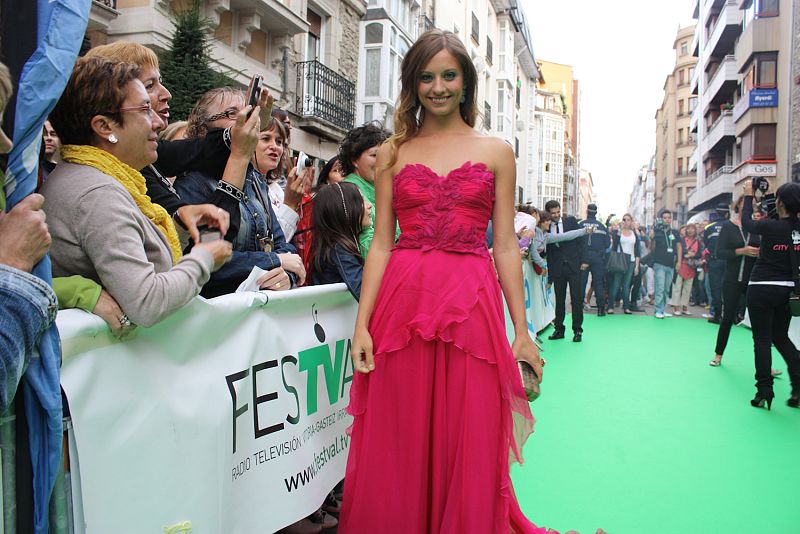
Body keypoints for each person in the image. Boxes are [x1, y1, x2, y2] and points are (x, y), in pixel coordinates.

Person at [342, 29, 552, 533]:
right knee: (401, 432)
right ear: (413, 84)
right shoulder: (392, 152)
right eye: (426, 77)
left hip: (471, 306)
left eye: (448, 75)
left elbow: (505, 245)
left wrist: (522, 331)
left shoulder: (497, 151)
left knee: (469, 431)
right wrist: (362, 324)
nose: (437, 87)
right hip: (403, 306)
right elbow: (381, 243)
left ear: (465, 82)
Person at [42, 57, 232, 328]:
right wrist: (204, 258)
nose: (157, 122)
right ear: (105, 127)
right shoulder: (98, 194)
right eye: (144, 110)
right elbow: (147, 302)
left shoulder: (97, 179)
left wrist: (177, 225)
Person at [175, 90, 304, 298]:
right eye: (233, 113)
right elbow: (208, 259)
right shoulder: (192, 184)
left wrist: (286, 275)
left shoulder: (254, 179)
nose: (246, 118)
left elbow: (281, 243)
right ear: (204, 128)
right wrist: (273, 261)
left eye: (247, 111)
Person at [739, 181, 800, 409]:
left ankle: (764, 390)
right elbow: (782, 213)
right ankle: (798, 387)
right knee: (781, 337)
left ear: (780, 203)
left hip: (761, 287)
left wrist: (747, 196)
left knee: (762, 340)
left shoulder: (770, 227)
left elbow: (747, 223)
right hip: (788, 291)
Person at [340, 123, 400, 258]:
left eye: (387, 156)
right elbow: (365, 245)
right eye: (374, 155)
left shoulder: (384, 187)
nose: (383, 161)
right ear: (354, 159)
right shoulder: (349, 192)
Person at [310, 182, 371, 300]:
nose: (369, 205)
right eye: (361, 201)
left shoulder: (341, 244)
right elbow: (363, 292)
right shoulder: (338, 248)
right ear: (344, 211)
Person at [546, 199, 587, 341]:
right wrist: (550, 275)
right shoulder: (546, 226)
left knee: (576, 299)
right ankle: (559, 329)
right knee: (559, 300)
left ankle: (577, 331)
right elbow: (548, 251)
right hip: (558, 268)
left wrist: (584, 261)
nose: (556, 215)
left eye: (558, 212)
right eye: (553, 213)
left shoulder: (571, 221)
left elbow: (581, 240)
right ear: (548, 213)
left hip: (574, 266)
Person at [650, 209, 682, 319]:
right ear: (661, 219)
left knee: (667, 289)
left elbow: (679, 247)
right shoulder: (657, 231)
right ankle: (658, 310)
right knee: (660, 288)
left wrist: (679, 262)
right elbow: (651, 243)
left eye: (669, 217)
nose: (667, 219)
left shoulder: (675, 232)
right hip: (659, 264)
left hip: (670, 264)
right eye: (665, 218)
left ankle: (662, 309)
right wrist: (653, 231)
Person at [579, 203, 610, 316]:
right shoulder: (602, 226)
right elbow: (607, 244)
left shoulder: (581, 224)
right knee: (598, 283)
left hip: (583, 257)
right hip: (598, 257)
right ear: (596, 213)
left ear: (587, 212)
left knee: (581, 282)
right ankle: (601, 309)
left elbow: (576, 241)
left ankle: (578, 307)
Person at [608, 213, 641, 314]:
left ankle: (626, 307)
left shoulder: (634, 234)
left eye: (628, 220)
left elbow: (637, 251)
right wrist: (618, 230)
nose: (626, 221)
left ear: (631, 221)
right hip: (620, 261)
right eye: (624, 219)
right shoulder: (619, 232)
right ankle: (610, 306)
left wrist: (637, 265)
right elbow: (614, 245)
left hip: (631, 261)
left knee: (626, 285)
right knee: (616, 284)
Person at [703, 204, 728, 323]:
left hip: (714, 260)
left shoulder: (709, 227)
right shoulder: (731, 225)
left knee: (715, 288)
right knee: (729, 288)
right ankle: (730, 316)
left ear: (716, 213)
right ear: (727, 213)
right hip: (729, 261)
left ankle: (717, 315)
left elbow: (706, 243)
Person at [670, 223, 700, 316]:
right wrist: (687, 253)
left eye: (692, 229)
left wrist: (694, 255)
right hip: (681, 264)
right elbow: (677, 250)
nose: (690, 231)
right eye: (689, 229)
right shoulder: (682, 240)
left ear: (695, 230)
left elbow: (700, 253)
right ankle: (676, 307)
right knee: (677, 286)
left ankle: (685, 307)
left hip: (691, 267)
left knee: (688, 287)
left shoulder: (698, 241)